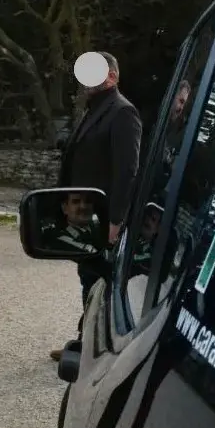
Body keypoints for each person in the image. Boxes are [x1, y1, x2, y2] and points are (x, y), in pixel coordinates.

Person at [50, 51, 142, 361]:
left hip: (103, 218)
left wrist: (115, 221)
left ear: (112, 77)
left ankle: (92, 348)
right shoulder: (93, 111)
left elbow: (127, 171)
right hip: (82, 214)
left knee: (99, 280)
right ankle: (84, 340)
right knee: (88, 277)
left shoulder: (122, 112)